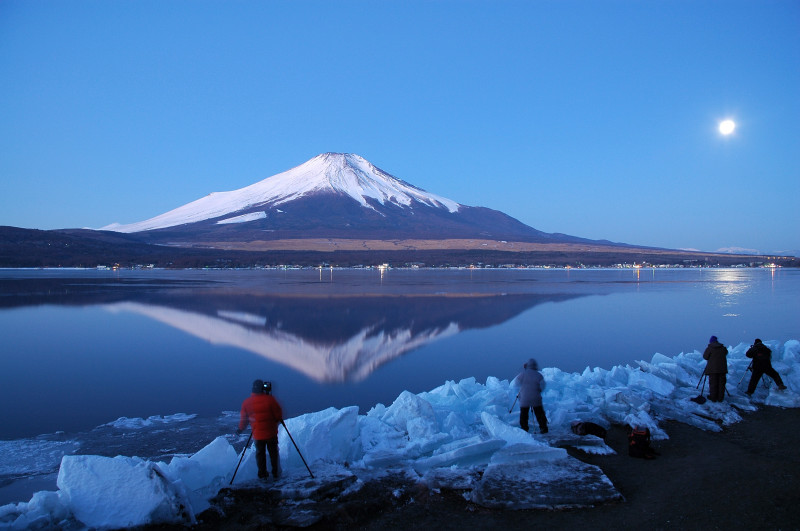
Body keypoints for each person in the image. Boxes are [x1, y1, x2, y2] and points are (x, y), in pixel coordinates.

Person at [238, 379, 283, 480]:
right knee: (273, 453)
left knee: (260, 454)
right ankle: (276, 473)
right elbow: (278, 415)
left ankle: (262, 475)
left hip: (258, 434)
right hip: (271, 432)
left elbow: (244, 420)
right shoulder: (270, 400)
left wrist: (240, 429)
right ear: (262, 388)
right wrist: (274, 421)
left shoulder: (246, 402)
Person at [511, 358, 548, 434]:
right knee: (539, 413)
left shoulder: (522, 375)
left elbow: (516, 383)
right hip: (536, 398)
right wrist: (538, 390)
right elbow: (543, 386)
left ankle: (524, 429)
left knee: (524, 414)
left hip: (525, 398)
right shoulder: (539, 375)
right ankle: (543, 428)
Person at [703, 336, 728, 402]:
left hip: (712, 369)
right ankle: (720, 398)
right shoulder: (722, 348)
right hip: (722, 369)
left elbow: (705, 357)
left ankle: (713, 398)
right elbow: (726, 353)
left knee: (713, 383)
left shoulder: (710, 348)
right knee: (721, 384)